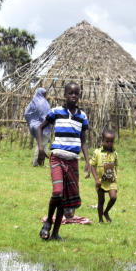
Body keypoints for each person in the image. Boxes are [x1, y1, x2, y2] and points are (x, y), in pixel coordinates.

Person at [38, 82, 98, 242]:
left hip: (72, 161)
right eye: (70, 93)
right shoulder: (56, 112)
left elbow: (83, 141)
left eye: (76, 93)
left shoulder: (82, 117)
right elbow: (40, 127)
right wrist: (41, 148)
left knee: (63, 201)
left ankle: (56, 233)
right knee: (57, 192)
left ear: (79, 96)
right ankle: (47, 225)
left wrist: (87, 160)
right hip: (57, 157)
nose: (73, 96)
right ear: (65, 95)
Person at [87, 128, 119, 223]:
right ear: (102, 141)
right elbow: (92, 165)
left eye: (111, 142)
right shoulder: (97, 152)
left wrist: (115, 176)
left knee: (113, 197)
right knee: (101, 201)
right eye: (107, 141)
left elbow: (115, 166)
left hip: (111, 180)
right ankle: (100, 220)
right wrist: (96, 179)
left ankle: (106, 212)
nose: (109, 144)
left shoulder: (115, 153)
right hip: (100, 180)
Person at [25, 87, 52, 166]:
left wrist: (33, 121)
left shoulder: (33, 101)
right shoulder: (43, 103)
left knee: (41, 143)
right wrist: (43, 123)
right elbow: (46, 116)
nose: (46, 95)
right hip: (43, 127)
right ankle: (36, 163)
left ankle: (41, 163)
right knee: (41, 144)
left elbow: (26, 113)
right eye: (45, 93)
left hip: (34, 126)